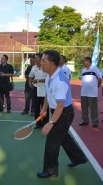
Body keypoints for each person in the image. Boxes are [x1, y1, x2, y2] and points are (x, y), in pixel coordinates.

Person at [37, 49, 87, 178]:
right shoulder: (49, 75)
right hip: (57, 111)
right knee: (63, 138)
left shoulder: (60, 80)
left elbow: (60, 106)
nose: (40, 62)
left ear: (52, 63)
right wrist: (44, 108)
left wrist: (50, 123)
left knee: (52, 142)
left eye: (43, 60)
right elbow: (48, 93)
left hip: (64, 113)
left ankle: (51, 170)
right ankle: (79, 157)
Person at [79, 57, 102, 128]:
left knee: (93, 108)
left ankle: (95, 122)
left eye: (84, 61)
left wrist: (96, 87)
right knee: (84, 107)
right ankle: (85, 120)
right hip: (84, 92)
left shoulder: (95, 69)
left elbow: (100, 79)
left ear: (88, 61)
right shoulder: (83, 70)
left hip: (92, 93)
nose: (83, 62)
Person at [28, 53, 48, 129]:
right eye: (35, 58)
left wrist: (38, 80)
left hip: (44, 90)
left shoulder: (45, 67)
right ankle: (38, 123)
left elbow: (48, 79)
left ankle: (45, 124)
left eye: (37, 58)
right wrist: (30, 83)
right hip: (36, 89)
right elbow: (30, 76)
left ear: (41, 59)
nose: (35, 60)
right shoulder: (34, 67)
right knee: (36, 108)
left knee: (44, 107)